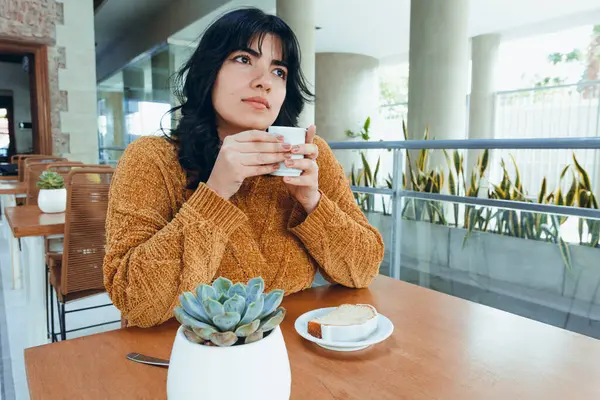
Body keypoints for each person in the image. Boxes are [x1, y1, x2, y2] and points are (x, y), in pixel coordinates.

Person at [103, 7, 384, 328]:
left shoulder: (309, 155)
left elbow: (363, 270)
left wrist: (312, 201)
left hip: (286, 350)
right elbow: (136, 302)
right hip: (184, 354)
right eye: (243, 59)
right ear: (209, 72)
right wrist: (215, 194)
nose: (264, 82)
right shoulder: (152, 158)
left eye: (279, 71)